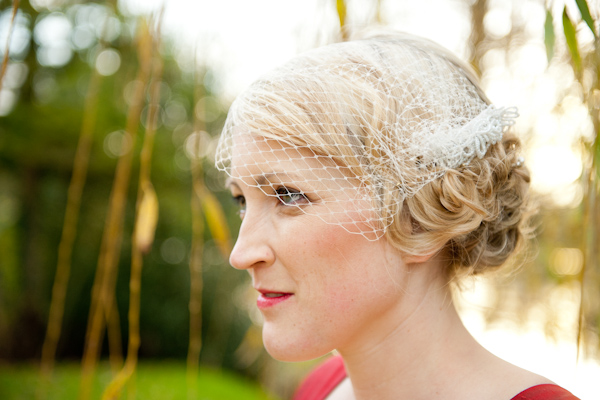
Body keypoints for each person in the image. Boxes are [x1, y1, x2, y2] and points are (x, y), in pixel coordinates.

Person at [214, 31, 579, 400]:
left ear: (418, 218)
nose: (241, 254)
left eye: (287, 196)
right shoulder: (318, 389)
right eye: (241, 201)